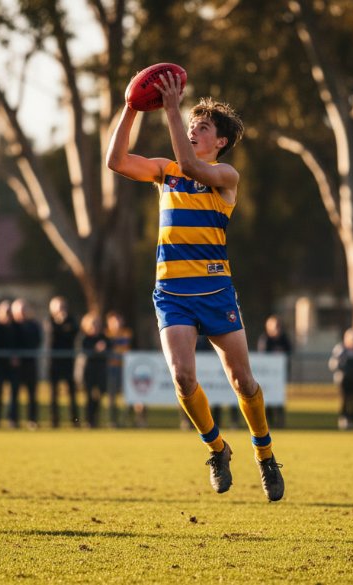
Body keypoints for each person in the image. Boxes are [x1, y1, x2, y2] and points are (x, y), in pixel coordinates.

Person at [106, 72, 284, 501]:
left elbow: (190, 165)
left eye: (202, 126)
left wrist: (169, 107)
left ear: (220, 141)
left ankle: (265, 454)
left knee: (242, 381)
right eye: (191, 123)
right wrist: (132, 105)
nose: (192, 127)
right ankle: (217, 449)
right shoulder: (165, 173)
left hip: (214, 291)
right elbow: (115, 161)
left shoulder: (224, 175)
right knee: (183, 377)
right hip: (171, 294)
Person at [47, 296, 80, 428]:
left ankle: (75, 420)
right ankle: (54, 420)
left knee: (72, 392)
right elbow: (51, 338)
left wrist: (64, 323)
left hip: (68, 362)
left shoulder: (71, 321)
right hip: (54, 363)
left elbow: (74, 334)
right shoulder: (49, 322)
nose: (61, 310)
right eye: (58, 307)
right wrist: (60, 324)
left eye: (63, 306)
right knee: (53, 393)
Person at [9, 299, 42, 429]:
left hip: (30, 364)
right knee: (14, 394)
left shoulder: (33, 326)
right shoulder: (11, 326)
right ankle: (13, 420)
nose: (22, 312)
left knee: (32, 394)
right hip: (15, 366)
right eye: (19, 310)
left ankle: (32, 419)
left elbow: (36, 342)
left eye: (24, 309)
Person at [257, 314, 291, 428]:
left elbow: (290, 351)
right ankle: (267, 423)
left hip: (279, 376)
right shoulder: (265, 339)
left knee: (279, 400)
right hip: (268, 376)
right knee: (267, 401)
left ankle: (280, 422)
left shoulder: (284, 338)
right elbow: (263, 355)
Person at [329, 328, 353, 430]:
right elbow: (333, 364)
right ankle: (343, 418)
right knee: (344, 399)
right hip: (344, 379)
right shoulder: (341, 349)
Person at [78, 312, 110, 428]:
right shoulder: (84, 338)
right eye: (92, 324)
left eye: (96, 324)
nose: (94, 327)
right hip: (88, 371)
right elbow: (83, 350)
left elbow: (110, 347)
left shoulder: (103, 338)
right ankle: (88, 420)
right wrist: (95, 349)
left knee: (99, 395)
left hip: (100, 371)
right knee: (89, 396)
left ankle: (95, 419)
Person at [0, 300, 17, 428]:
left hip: (13, 367)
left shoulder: (16, 328)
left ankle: (12, 419)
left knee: (14, 394)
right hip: (0, 367)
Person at [104, 311, 132, 428]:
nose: (117, 323)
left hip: (125, 368)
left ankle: (126, 420)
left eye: (118, 320)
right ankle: (112, 420)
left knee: (128, 396)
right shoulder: (106, 334)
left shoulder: (127, 333)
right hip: (112, 368)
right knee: (112, 395)